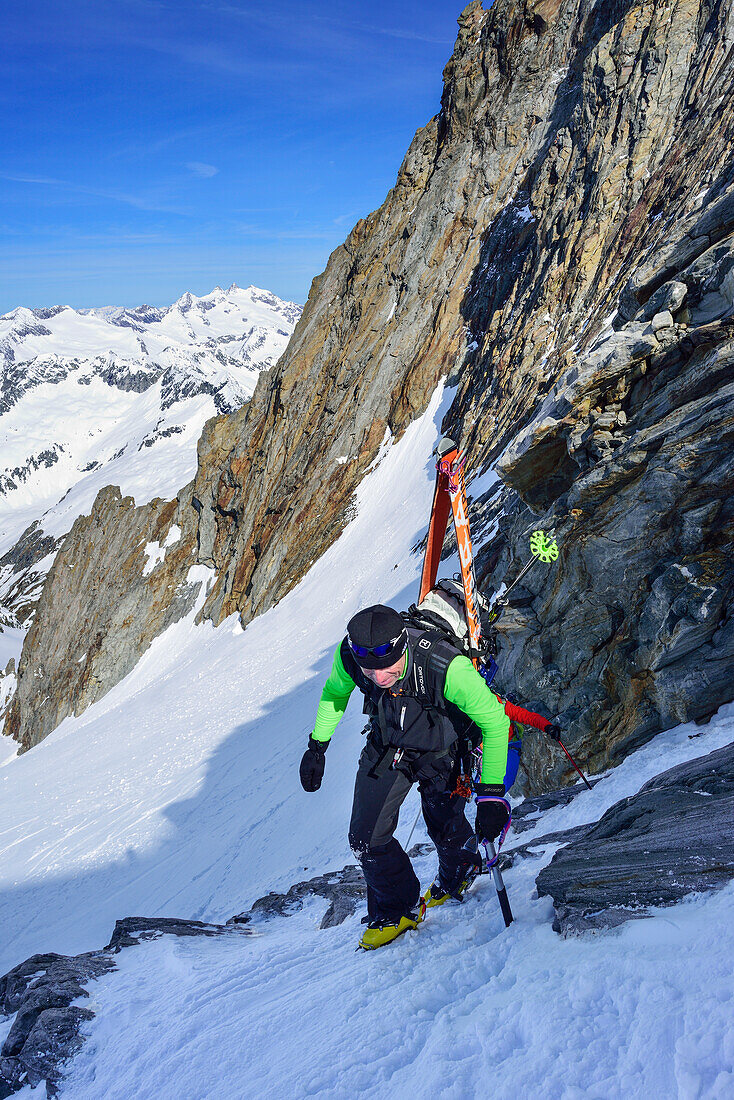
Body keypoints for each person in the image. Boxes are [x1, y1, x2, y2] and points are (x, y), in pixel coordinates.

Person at [299, 604, 515, 950]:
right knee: (365, 838)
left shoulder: (447, 666)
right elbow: (336, 692)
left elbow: (495, 722)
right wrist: (317, 746)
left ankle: (459, 871)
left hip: (444, 751)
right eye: (370, 672)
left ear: (402, 646)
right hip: (387, 745)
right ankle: (399, 909)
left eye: (387, 669)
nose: (379, 678)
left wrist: (491, 795)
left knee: (444, 827)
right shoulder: (351, 656)